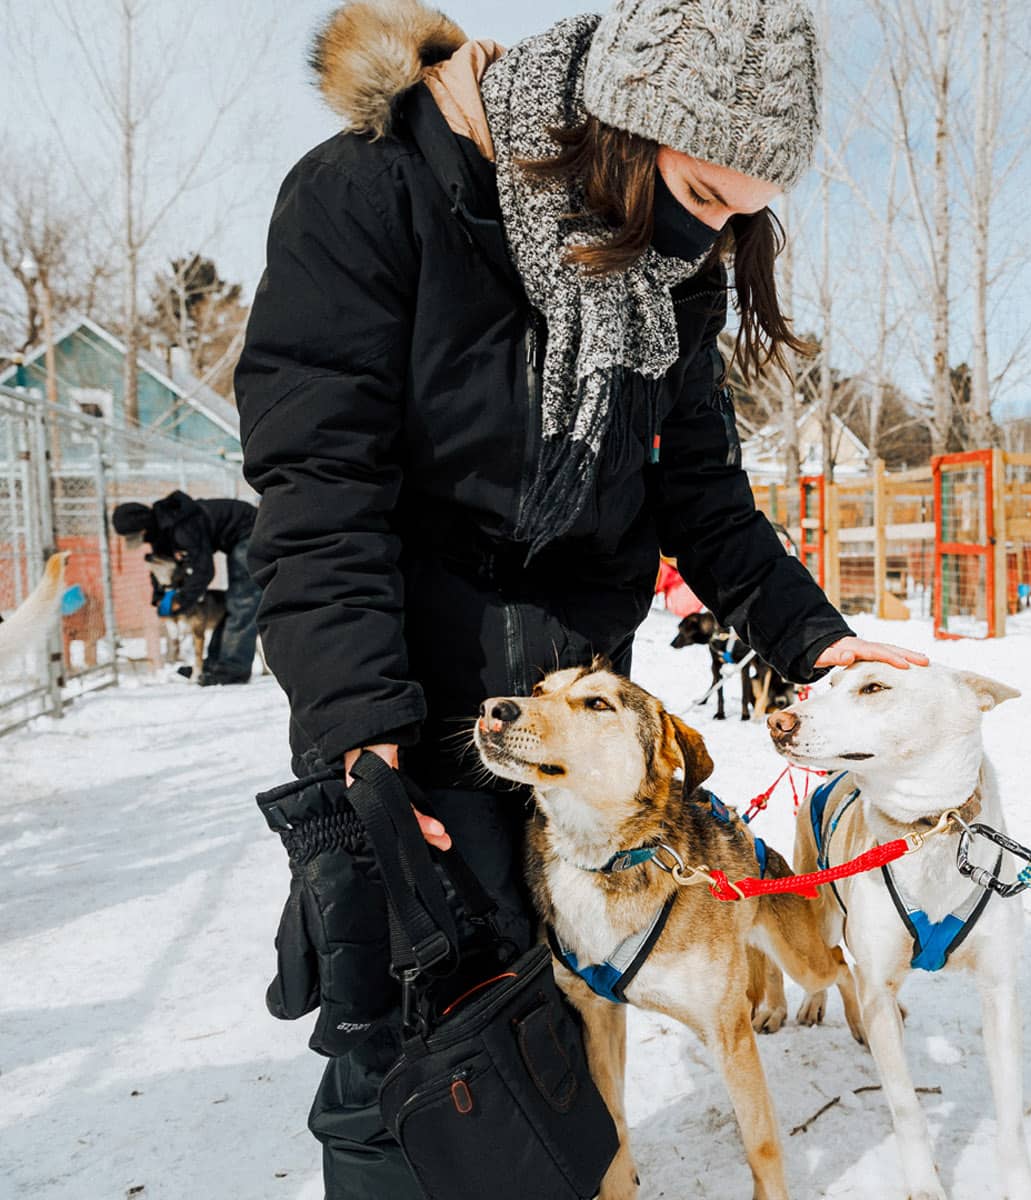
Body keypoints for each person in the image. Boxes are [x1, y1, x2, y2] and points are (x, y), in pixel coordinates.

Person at [234, 2, 924, 1194]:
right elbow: (320, 485)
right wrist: (360, 733)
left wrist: (812, 637)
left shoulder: (668, 273)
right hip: (401, 682)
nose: (711, 239)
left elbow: (699, 492)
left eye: (744, 216)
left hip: (567, 704)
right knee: (409, 1043)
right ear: (621, 126)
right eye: (705, 197)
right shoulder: (378, 194)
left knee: (551, 1041)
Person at [110, 492, 261, 685]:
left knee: (243, 600)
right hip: (232, 539)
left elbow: (204, 570)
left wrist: (181, 600)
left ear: (142, 528)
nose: (137, 541)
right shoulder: (160, 531)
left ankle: (233, 669)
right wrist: (159, 598)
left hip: (249, 530)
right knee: (232, 605)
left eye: (134, 536)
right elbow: (162, 566)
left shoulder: (181, 526)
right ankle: (215, 664)